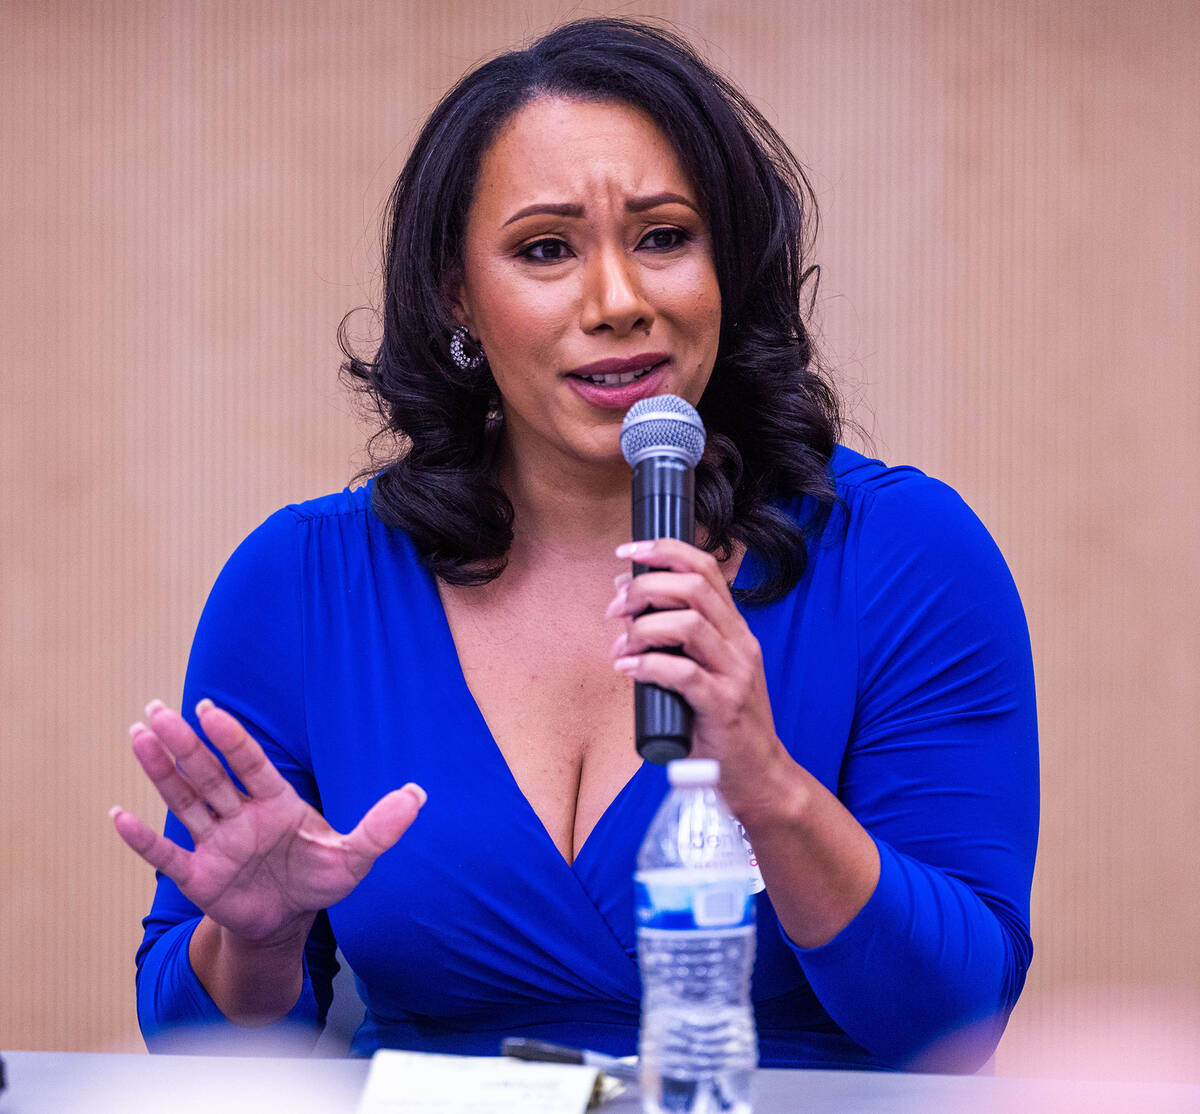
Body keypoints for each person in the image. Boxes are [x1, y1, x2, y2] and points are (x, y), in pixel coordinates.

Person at [111, 17, 1038, 1072]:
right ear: (458, 294)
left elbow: (954, 1026)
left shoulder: (904, 558)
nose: (619, 302)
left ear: (725, 267)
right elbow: (192, 1053)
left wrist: (771, 787)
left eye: (664, 237)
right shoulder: (304, 585)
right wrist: (257, 937)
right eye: (546, 249)